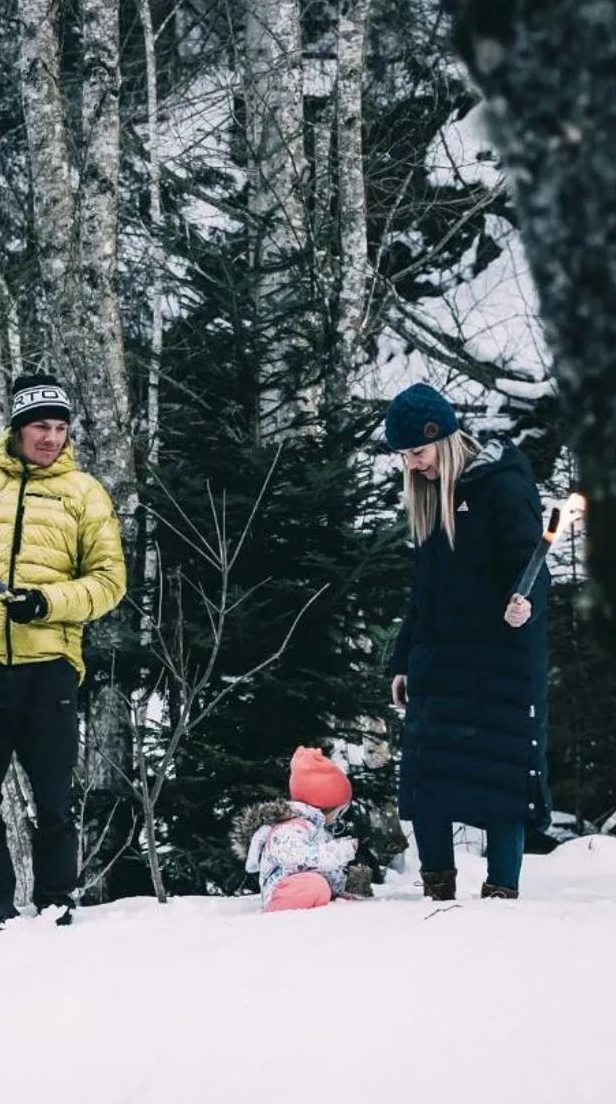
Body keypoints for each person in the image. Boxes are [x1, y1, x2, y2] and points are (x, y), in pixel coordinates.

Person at [0, 373, 127, 931]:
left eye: (60, 428)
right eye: (41, 427)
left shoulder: (83, 493)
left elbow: (109, 581)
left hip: (49, 670)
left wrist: (45, 604)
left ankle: (57, 903)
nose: (51, 438)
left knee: (54, 802)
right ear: (16, 429)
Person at [383, 383, 551, 900]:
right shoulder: (430, 498)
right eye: (405, 456)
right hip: (439, 661)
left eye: (419, 452)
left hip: (499, 660)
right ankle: (437, 892)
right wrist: (403, 659)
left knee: (500, 783)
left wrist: (525, 604)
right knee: (428, 780)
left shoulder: (502, 486)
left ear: (445, 439)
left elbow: (531, 567)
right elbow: (423, 592)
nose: (413, 465)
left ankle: (502, 894)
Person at [232, 747, 368, 912]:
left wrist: (342, 883)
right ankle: (279, 905)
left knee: (321, 886)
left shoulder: (317, 829)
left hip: (303, 885)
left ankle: (326, 894)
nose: (339, 818)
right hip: (283, 890)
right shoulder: (289, 828)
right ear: (326, 807)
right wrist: (339, 851)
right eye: (339, 812)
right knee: (315, 886)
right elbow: (298, 859)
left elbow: (319, 867)